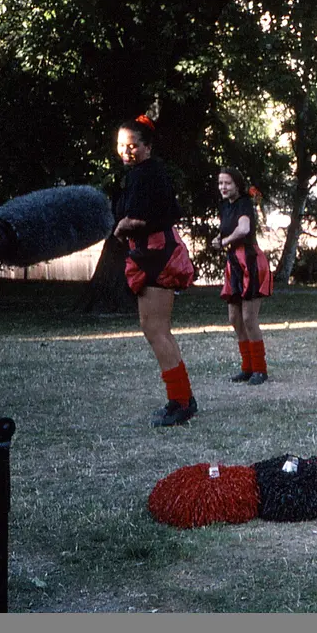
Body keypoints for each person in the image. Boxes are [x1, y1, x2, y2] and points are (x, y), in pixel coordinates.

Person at [113, 115, 198, 427]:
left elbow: (137, 219)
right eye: (121, 145)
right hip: (153, 252)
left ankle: (181, 402)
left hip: (157, 255)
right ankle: (182, 398)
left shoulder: (146, 174)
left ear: (147, 147)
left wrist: (120, 229)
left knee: (155, 329)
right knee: (157, 329)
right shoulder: (145, 173)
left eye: (133, 145)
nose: (126, 150)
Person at [212, 168, 273, 384]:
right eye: (220, 183)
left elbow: (244, 229)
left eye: (227, 183)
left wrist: (225, 241)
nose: (223, 187)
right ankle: (247, 367)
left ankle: (260, 370)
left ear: (237, 185)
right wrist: (219, 240)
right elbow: (227, 231)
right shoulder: (225, 206)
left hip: (250, 262)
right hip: (235, 263)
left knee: (248, 317)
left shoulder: (244, 203)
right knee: (235, 318)